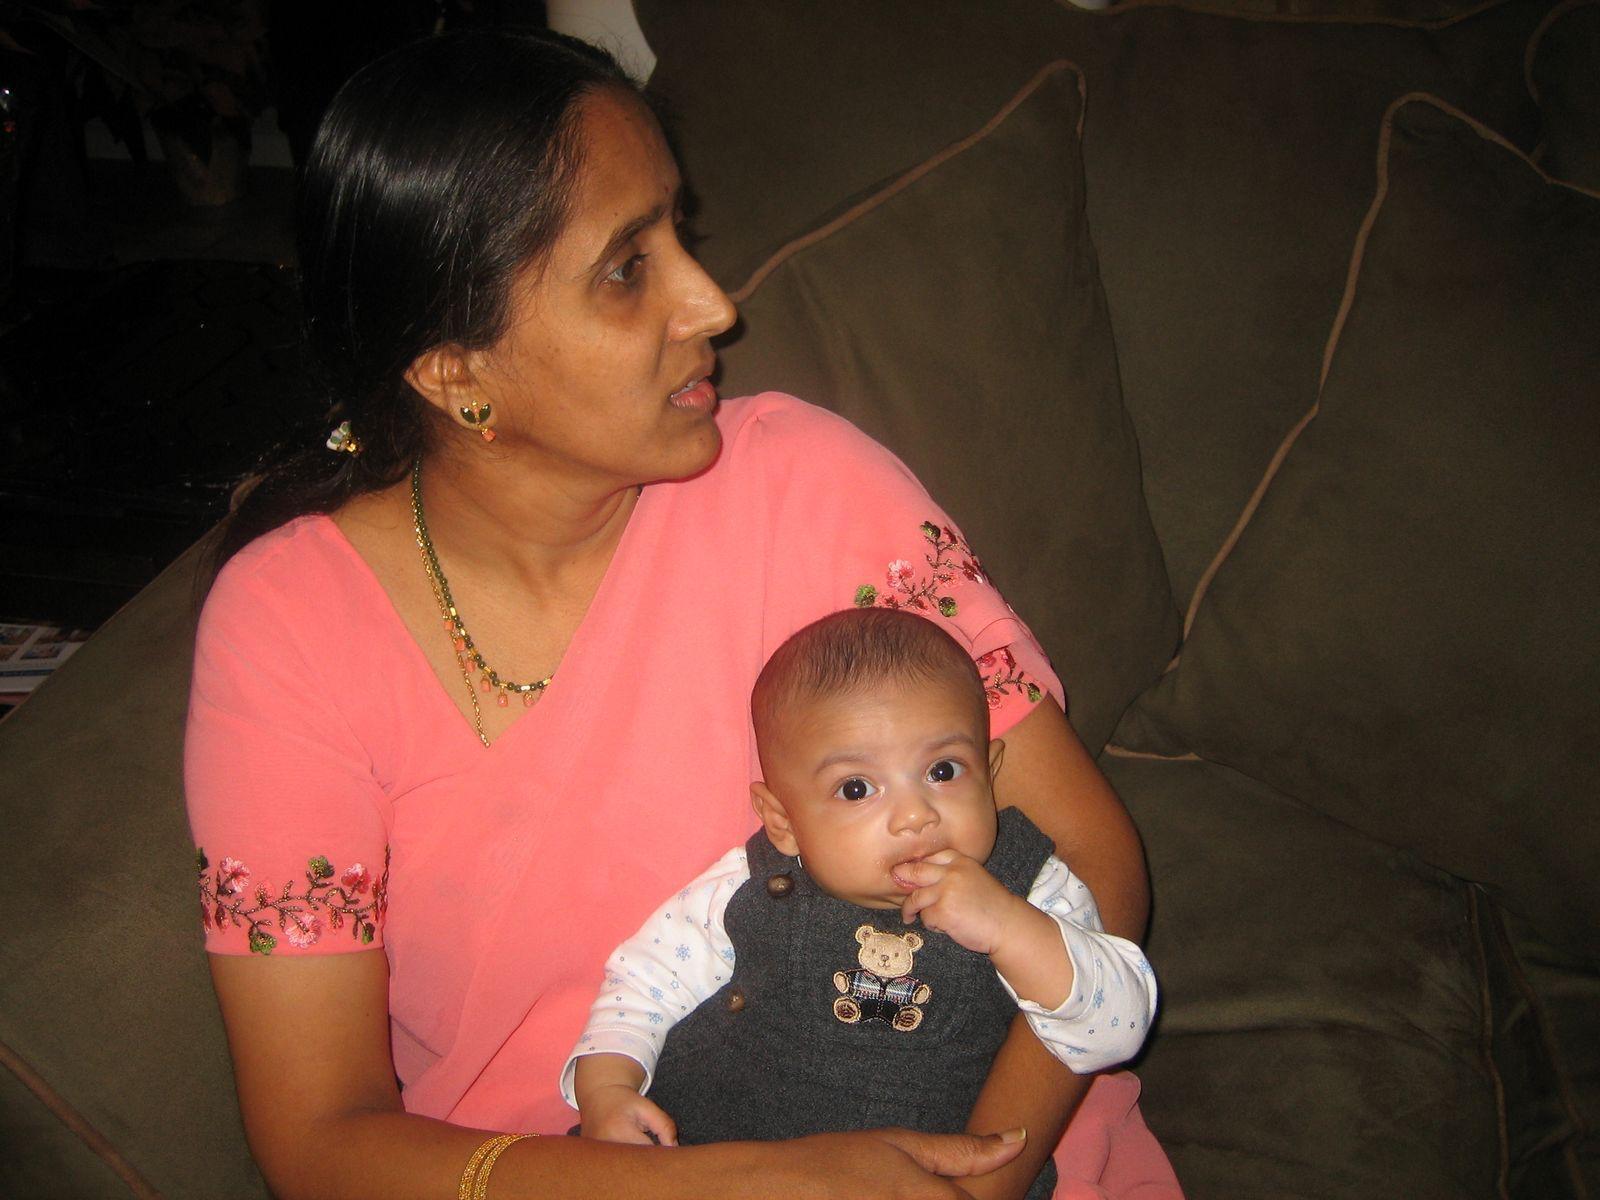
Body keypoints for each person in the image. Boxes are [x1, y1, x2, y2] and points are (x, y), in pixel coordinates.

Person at [184, 26, 1180, 1200]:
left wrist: (979, 1176)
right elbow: (319, 1140)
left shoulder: (807, 488)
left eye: (679, 234)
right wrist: (756, 1183)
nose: (712, 301)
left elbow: (1087, 858)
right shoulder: (292, 629)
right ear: (457, 373)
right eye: (626, 268)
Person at [566, 609, 1160, 1200]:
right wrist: (607, 1089)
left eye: (943, 770)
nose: (915, 815)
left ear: (992, 774)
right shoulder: (746, 888)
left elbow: (1119, 1029)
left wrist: (1011, 928)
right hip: (710, 1163)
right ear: (783, 821)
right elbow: (643, 984)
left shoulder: (1030, 888)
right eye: (857, 788)